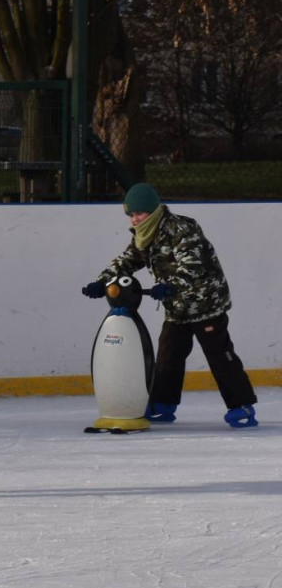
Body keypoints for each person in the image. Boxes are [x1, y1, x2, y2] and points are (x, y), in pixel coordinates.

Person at [82, 183, 258, 427]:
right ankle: (163, 404)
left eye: (139, 214)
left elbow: (193, 265)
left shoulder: (182, 229)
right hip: (177, 308)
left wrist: (171, 285)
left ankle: (242, 406)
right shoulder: (144, 236)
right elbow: (126, 262)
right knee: (168, 354)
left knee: (219, 355)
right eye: (131, 215)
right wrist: (101, 282)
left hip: (206, 304)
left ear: (153, 211)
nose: (135, 219)